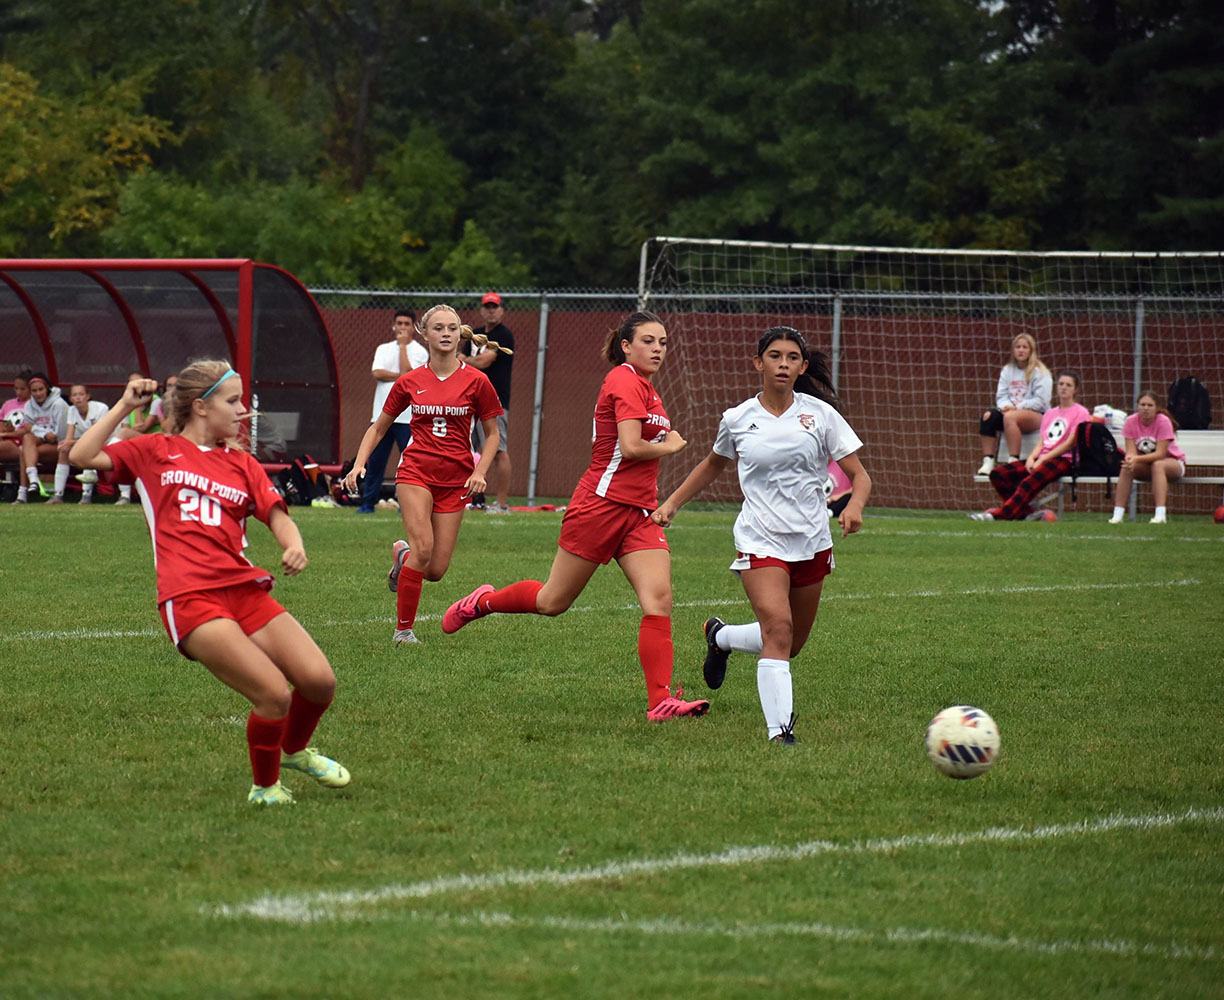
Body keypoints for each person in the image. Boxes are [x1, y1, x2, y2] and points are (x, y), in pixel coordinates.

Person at [68, 361, 349, 807]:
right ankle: (265, 788)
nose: (243, 411)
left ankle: (294, 750)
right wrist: (124, 405)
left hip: (243, 589)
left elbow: (276, 514)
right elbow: (81, 456)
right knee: (273, 693)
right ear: (200, 406)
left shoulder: (241, 462)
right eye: (232, 401)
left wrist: (293, 544)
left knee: (319, 682)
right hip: (190, 596)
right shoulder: (154, 450)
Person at [440, 311, 710, 722]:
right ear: (626, 346)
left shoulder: (648, 388)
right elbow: (633, 447)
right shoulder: (622, 379)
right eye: (649, 341)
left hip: (637, 513)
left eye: (663, 342)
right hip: (599, 507)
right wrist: (672, 446)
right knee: (553, 602)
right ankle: (485, 602)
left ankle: (660, 703)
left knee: (659, 600)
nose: (658, 349)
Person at [653, 327, 871, 745]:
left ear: (803, 366)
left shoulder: (820, 415)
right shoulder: (737, 419)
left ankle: (722, 637)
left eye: (792, 357)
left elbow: (860, 476)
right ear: (759, 363)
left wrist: (855, 506)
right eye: (775, 356)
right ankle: (780, 732)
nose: (783, 364)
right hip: (759, 539)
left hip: (811, 540)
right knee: (778, 629)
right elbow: (713, 464)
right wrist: (673, 502)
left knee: (790, 643)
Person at [341, 304, 502, 645]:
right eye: (439, 328)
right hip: (415, 473)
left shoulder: (478, 381)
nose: (446, 333)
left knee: (435, 570)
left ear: (461, 334)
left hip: (456, 481)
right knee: (424, 548)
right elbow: (379, 428)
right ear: (424, 334)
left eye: (453, 328)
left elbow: (493, 435)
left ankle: (403, 557)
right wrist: (359, 464)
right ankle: (403, 631)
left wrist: (480, 471)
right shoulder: (410, 380)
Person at [972, 369, 1090, 521]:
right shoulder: (1050, 413)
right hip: (1043, 457)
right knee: (998, 474)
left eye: (1068, 385)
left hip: (1063, 460)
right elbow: (1043, 440)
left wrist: (1042, 460)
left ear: (1075, 389)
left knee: (1029, 481)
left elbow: (1070, 444)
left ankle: (999, 515)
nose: (1064, 387)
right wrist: (1032, 458)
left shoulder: (1081, 412)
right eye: (1061, 384)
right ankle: (1024, 513)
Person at [358, 309, 428, 514]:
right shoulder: (383, 349)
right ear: (393, 325)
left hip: (407, 418)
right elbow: (377, 373)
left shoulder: (419, 351)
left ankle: (404, 504)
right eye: (400, 323)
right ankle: (367, 503)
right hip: (382, 415)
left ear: (413, 327)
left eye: (407, 324)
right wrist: (399, 375)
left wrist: (403, 348)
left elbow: (410, 375)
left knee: (408, 463)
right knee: (375, 462)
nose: (403, 328)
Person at [462, 293, 516, 513]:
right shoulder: (474, 334)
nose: (491, 311)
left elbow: (484, 361)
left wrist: (467, 361)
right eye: (487, 307)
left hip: (495, 400)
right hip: (468, 400)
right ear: (482, 310)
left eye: (495, 307)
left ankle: (501, 503)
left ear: (501, 310)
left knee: (498, 450)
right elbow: (460, 358)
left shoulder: (504, 335)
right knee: (467, 449)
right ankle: (472, 499)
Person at [976, 333, 1052, 476]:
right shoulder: (1007, 370)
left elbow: (1041, 401)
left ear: (1031, 350)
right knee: (988, 417)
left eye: (1024, 347)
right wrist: (1006, 406)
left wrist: (1017, 408)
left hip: (1037, 415)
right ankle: (988, 461)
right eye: (1018, 347)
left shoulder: (1040, 372)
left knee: (1011, 417)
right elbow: (1001, 395)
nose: (1021, 350)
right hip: (1010, 411)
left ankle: (1013, 461)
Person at [1108, 390, 1185, 525]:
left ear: (1157, 408)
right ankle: (1117, 515)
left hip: (1172, 464)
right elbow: (1131, 452)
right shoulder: (1131, 421)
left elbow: (1160, 454)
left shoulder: (1163, 421)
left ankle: (1160, 515)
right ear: (1137, 406)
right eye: (1142, 405)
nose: (1146, 408)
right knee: (1127, 467)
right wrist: (1131, 459)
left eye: (1150, 405)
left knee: (1158, 464)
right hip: (1146, 466)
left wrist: (1136, 459)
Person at [15, 373, 69, 503]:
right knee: (27, 439)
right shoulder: (29, 405)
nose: (38, 394)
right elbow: (28, 428)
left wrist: (37, 430)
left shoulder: (59, 404)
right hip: (43, 441)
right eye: (34, 390)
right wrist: (44, 434)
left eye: (41, 389)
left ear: (47, 389)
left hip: (61, 445)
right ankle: (33, 481)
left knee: (25, 453)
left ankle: (23, 493)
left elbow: (60, 435)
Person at [57, 384, 109, 503]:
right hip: (87, 442)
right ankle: (58, 495)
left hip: (107, 442)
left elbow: (98, 437)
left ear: (88, 396)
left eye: (81, 394)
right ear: (71, 399)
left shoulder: (101, 408)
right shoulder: (72, 410)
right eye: (74, 395)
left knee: (87, 451)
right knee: (64, 451)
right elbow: (69, 437)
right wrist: (65, 444)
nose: (78, 398)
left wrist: (72, 442)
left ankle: (86, 496)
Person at [1, 370, 32, 499]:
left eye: (22, 389)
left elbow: (29, 430)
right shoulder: (9, 404)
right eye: (16, 388)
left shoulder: (32, 405)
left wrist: (9, 434)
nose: (19, 392)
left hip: (19, 443)